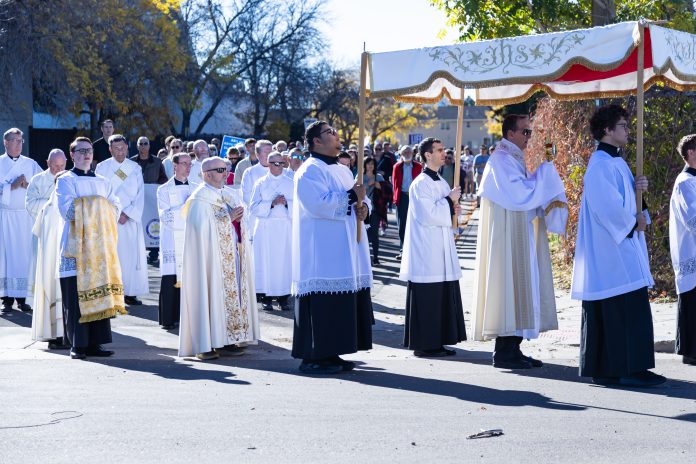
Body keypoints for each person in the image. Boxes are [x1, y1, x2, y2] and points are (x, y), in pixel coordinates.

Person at [572, 104, 665, 387]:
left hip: (622, 243)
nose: (628, 130)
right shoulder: (600, 165)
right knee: (620, 308)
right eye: (623, 126)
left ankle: (619, 368)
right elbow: (607, 207)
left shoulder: (617, 162)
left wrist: (639, 190)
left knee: (627, 307)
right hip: (611, 249)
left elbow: (627, 201)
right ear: (607, 130)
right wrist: (634, 223)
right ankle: (624, 368)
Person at [472, 114, 567, 369]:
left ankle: (513, 347)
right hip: (507, 237)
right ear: (510, 133)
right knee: (510, 289)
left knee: (520, 289)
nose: (529, 137)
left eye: (530, 132)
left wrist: (542, 172)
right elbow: (519, 194)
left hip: (517, 232)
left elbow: (524, 190)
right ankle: (505, 352)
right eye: (525, 132)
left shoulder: (512, 157)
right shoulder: (501, 160)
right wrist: (545, 172)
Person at [291, 121, 374, 374]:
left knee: (340, 303)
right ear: (316, 141)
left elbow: (361, 197)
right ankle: (313, 357)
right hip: (321, 250)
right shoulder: (309, 170)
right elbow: (317, 204)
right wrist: (351, 197)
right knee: (322, 303)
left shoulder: (343, 170)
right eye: (330, 132)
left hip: (344, 247)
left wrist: (364, 208)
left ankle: (331, 352)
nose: (337, 135)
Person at [178, 157, 259, 360]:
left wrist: (240, 220)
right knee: (209, 294)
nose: (226, 173)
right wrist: (228, 219)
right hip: (210, 260)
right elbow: (199, 230)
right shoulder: (199, 199)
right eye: (221, 170)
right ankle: (204, 344)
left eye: (226, 169)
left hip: (232, 256)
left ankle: (227, 340)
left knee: (230, 296)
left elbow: (240, 223)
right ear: (207, 174)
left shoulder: (228, 195)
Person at [56, 137, 126, 359]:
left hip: (99, 249)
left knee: (99, 294)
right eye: (81, 150)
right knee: (76, 298)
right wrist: (98, 203)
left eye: (89, 150)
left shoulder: (104, 181)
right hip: (76, 246)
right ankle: (77, 345)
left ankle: (96, 343)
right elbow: (67, 211)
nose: (86, 154)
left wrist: (94, 203)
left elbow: (115, 207)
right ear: (72, 155)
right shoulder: (65, 180)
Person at [400, 137, 466, 357]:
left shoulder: (442, 182)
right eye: (439, 150)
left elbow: (446, 211)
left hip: (441, 246)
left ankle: (437, 341)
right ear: (427, 155)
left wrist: (455, 209)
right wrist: (448, 202)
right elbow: (427, 215)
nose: (443, 153)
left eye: (443, 149)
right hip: (426, 249)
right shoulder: (420, 183)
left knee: (441, 296)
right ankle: (425, 344)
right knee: (429, 297)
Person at [95, 135, 149, 306]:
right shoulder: (102, 168)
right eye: (116, 148)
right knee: (111, 257)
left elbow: (140, 194)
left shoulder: (135, 168)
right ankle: (111, 294)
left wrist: (128, 214)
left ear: (127, 147)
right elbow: (99, 193)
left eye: (122, 148)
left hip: (130, 220)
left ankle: (130, 293)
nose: (119, 151)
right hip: (110, 219)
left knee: (130, 258)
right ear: (110, 149)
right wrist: (114, 214)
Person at [26, 149, 66, 347]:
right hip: (46, 236)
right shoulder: (37, 180)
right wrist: (51, 202)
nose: (58, 169)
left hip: (65, 239)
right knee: (47, 279)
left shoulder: (69, 179)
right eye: (55, 166)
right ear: (48, 163)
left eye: (62, 166)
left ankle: (66, 327)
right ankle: (49, 327)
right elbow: (30, 204)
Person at [0, 128, 42, 315]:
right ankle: (6, 299)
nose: (19, 144)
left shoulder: (31, 164)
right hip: (5, 217)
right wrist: (12, 186)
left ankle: (24, 299)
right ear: (6, 142)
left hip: (25, 218)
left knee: (25, 257)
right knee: (6, 258)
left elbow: (43, 186)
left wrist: (28, 185)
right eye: (15, 140)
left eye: (21, 140)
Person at [250, 152, 294, 311]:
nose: (280, 166)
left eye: (282, 163)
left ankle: (283, 298)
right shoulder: (260, 183)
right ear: (268, 164)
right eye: (276, 163)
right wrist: (272, 203)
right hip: (265, 228)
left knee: (284, 263)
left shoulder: (291, 183)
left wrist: (287, 203)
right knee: (265, 262)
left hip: (284, 228)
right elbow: (253, 208)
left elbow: (299, 207)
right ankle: (266, 297)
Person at [157, 152, 196, 330]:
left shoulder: (196, 188)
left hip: (190, 238)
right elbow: (166, 217)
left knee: (190, 276)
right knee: (171, 276)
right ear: (175, 166)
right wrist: (186, 207)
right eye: (184, 163)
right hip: (172, 239)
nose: (188, 167)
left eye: (190, 164)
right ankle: (168, 318)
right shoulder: (163, 189)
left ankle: (189, 317)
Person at [669, 134, 696, 366]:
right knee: (692, 301)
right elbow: (692, 219)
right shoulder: (685, 182)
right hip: (691, 251)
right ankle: (690, 351)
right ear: (691, 153)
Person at [392, 145, 422, 261]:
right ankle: (403, 250)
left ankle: (415, 251)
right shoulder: (397, 167)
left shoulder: (419, 166)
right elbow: (394, 184)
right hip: (402, 197)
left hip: (415, 198)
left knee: (415, 224)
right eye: (405, 152)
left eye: (409, 152)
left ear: (413, 153)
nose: (407, 154)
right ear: (401, 154)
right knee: (402, 225)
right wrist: (396, 198)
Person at [240, 140, 272, 238]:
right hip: (257, 221)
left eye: (271, 151)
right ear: (257, 154)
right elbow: (248, 199)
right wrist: (270, 205)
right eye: (266, 152)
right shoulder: (250, 173)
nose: (269, 155)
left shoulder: (282, 172)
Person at [361, 157, 386, 265]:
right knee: (364, 234)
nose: (370, 166)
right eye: (368, 163)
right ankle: (365, 258)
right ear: (364, 165)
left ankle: (375, 257)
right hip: (363, 210)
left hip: (375, 209)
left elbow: (387, 190)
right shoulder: (360, 176)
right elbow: (356, 190)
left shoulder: (379, 176)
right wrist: (368, 184)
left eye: (372, 164)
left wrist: (380, 186)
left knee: (375, 234)